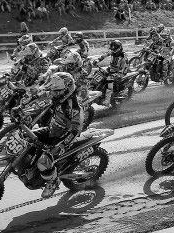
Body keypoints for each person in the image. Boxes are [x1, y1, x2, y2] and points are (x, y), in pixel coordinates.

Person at [33, 71, 84, 199]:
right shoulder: (58, 94)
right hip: (52, 130)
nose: (53, 94)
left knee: (44, 160)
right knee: (26, 136)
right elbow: (41, 95)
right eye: (53, 91)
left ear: (67, 90)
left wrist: (61, 146)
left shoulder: (75, 108)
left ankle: (53, 181)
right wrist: (23, 104)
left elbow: (75, 130)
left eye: (57, 92)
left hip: (65, 138)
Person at [94, 39, 128, 104]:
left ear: (119, 48)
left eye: (114, 49)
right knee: (98, 72)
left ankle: (107, 99)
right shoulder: (112, 51)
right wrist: (97, 60)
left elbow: (125, 67)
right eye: (112, 49)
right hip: (111, 69)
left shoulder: (123, 56)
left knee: (109, 79)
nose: (113, 51)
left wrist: (116, 74)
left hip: (120, 72)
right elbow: (105, 55)